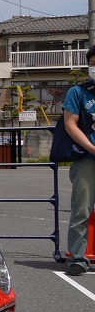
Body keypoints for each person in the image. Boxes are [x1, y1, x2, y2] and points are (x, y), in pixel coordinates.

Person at [61, 46, 95, 275]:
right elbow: (70, 123)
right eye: (93, 62)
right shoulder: (79, 92)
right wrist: (92, 148)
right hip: (86, 156)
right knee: (81, 209)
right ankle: (77, 257)